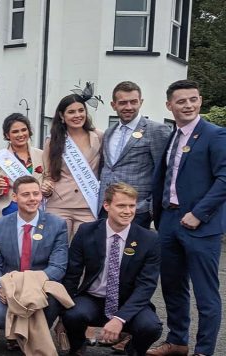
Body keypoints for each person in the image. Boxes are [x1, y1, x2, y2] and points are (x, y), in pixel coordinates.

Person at [148, 80, 226, 356]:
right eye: (181, 101)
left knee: (206, 294)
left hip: (200, 225)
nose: (188, 105)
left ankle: (204, 350)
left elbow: (224, 179)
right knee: (172, 286)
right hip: (169, 221)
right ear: (169, 105)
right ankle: (178, 341)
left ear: (200, 101)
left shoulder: (215, 135)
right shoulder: (173, 136)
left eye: (193, 99)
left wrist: (199, 213)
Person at [62, 183, 162, 356]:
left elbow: (146, 286)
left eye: (131, 206)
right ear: (106, 206)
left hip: (128, 301)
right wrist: (63, 310)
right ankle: (77, 347)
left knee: (151, 327)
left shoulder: (149, 239)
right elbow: (72, 274)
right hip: (93, 298)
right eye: (121, 205)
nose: (127, 211)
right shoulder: (87, 231)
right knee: (72, 315)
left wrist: (120, 318)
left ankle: (132, 351)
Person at [0, 175, 68, 350]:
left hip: (41, 286)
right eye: (26, 194)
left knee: (52, 302)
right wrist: (0, 288)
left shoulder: (57, 225)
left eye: (36, 194)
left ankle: (32, 335)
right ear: (14, 197)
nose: (32, 199)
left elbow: (58, 267)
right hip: (10, 287)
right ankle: (15, 333)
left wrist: (30, 285)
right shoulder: (0, 225)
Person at [100, 81, 171, 228]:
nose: (128, 107)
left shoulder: (156, 130)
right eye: (122, 103)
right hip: (106, 208)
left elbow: (165, 172)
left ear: (141, 102)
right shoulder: (109, 132)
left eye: (133, 102)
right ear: (113, 105)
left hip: (136, 211)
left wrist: (149, 207)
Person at [0, 113, 45, 248]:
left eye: (24, 130)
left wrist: (47, 185)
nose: (20, 134)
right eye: (15, 131)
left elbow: (48, 178)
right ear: (7, 135)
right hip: (4, 212)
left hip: (33, 212)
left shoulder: (41, 155)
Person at [41, 93, 103, 237]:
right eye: (71, 112)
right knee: (57, 247)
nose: (77, 115)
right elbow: (48, 175)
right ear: (62, 116)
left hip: (88, 205)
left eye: (81, 110)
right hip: (59, 204)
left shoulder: (99, 136)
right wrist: (46, 187)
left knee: (85, 248)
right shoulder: (52, 141)